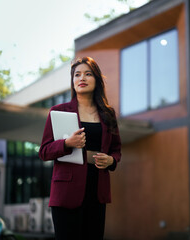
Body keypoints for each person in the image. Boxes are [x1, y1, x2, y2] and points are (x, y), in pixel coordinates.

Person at [39, 56, 121, 240]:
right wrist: (67, 143)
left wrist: (111, 160)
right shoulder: (58, 111)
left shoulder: (108, 115)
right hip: (66, 193)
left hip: (97, 190)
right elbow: (43, 151)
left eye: (87, 74)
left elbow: (116, 149)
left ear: (97, 80)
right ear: (73, 81)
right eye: (77, 75)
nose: (81, 78)